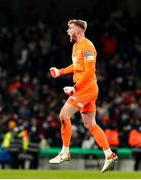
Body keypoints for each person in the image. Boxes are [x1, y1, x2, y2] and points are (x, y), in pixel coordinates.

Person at [49, 19, 118, 173]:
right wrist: (60, 72)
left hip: (86, 88)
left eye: (70, 28)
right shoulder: (76, 46)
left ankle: (65, 152)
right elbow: (77, 66)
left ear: (78, 30)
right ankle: (109, 154)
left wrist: (75, 88)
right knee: (90, 125)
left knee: (63, 115)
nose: (68, 31)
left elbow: (88, 71)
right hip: (86, 88)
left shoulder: (88, 46)